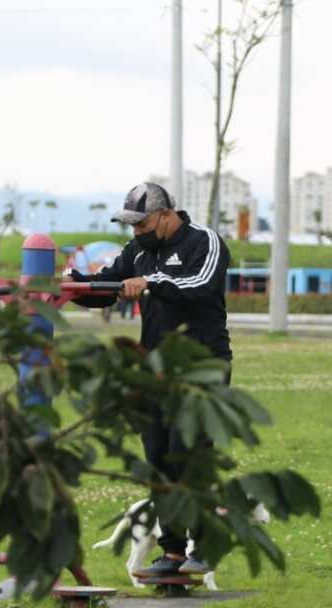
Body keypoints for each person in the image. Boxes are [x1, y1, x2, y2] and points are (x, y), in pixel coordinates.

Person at [65, 182, 233, 579]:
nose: (135, 231)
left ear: (165, 214)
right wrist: (73, 285)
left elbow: (200, 285)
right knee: (158, 457)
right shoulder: (137, 251)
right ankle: (172, 553)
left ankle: (206, 544)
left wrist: (152, 283)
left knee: (187, 453)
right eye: (131, 225)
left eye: (141, 223)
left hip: (202, 367)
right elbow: (105, 288)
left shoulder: (204, 242)